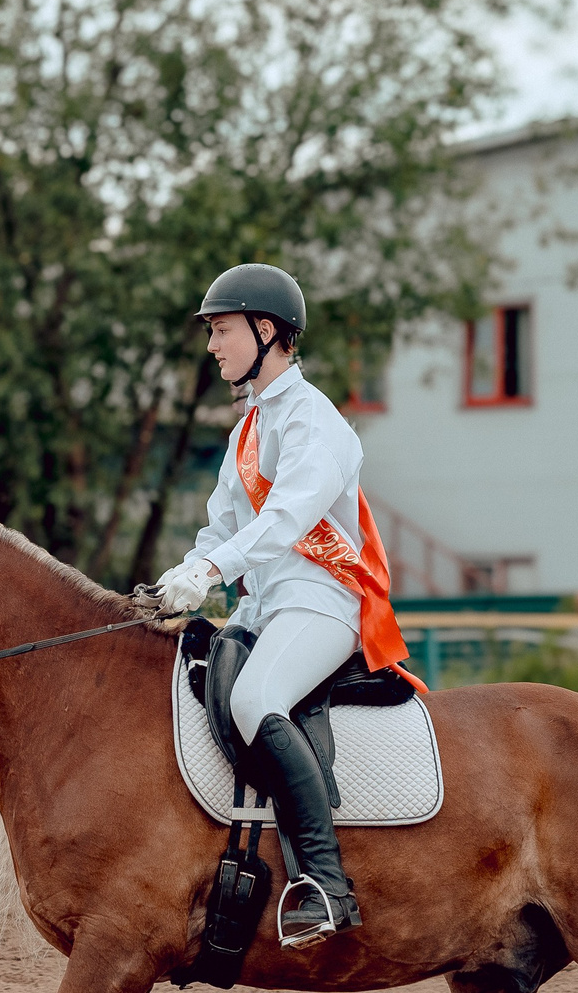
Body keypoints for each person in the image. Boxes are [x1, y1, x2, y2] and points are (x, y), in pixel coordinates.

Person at [155, 263, 418, 948]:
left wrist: (213, 568)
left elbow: (288, 518)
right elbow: (221, 525)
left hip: (322, 601)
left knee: (254, 700)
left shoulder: (314, 421)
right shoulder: (248, 429)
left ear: (265, 331)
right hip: (263, 606)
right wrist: (183, 572)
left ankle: (326, 885)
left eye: (221, 330)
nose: (212, 345)